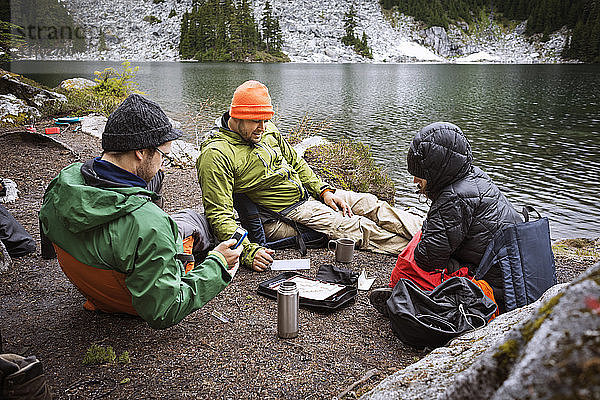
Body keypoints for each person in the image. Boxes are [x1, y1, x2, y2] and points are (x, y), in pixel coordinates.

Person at [39, 94, 242, 329]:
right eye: (162, 155)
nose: (163, 163)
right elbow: (164, 310)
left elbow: (48, 237)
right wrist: (217, 265)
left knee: (157, 185)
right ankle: (206, 243)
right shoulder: (151, 227)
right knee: (195, 223)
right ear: (140, 152)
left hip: (94, 287)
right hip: (133, 302)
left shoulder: (63, 182)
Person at [196, 80, 422, 271]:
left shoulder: (266, 129)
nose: (263, 128)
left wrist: (324, 191)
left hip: (309, 194)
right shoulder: (216, 154)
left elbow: (295, 161)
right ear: (238, 116)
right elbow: (219, 213)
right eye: (257, 121)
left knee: (371, 204)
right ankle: (426, 252)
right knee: (357, 227)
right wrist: (246, 251)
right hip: (288, 209)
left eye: (266, 120)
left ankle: (435, 232)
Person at [370, 121, 522, 314]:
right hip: (508, 275)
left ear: (437, 170)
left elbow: (428, 259)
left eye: (420, 174)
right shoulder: (475, 176)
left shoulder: (455, 197)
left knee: (411, 262)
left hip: (494, 290)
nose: (415, 180)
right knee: (422, 239)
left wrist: (445, 259)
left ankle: (404, 296)